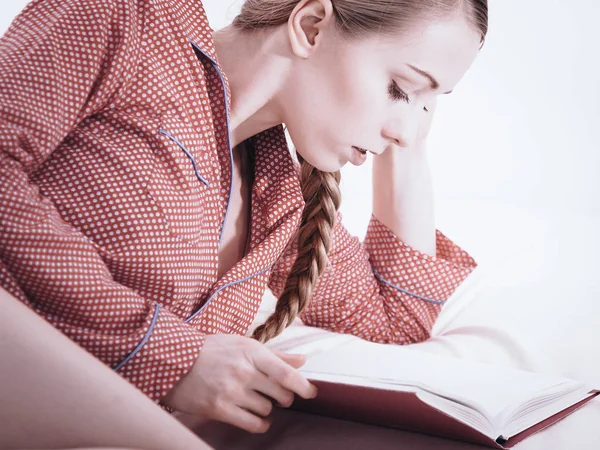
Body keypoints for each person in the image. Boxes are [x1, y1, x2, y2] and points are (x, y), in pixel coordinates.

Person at [0, 0, 487, 445]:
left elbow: (395, 323)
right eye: (397, 88)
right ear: (311, 26)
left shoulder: (282, 195)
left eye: (426, 102)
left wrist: (410, 140)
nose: (404, 127)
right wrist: (172, 356)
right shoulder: (126, 21)